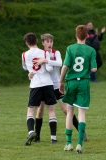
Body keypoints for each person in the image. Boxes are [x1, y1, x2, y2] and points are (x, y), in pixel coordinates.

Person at [29, 33, 87, 143]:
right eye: (47, 41)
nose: (50, 43)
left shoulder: (56, 53)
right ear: (43, 43)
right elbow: (35, 69)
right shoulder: (41, 54)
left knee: (65, 109)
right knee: (40, 110)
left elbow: (60, 63)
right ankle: (37, 136)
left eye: (51, 41)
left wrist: (46, 61)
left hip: (56, 85)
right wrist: (30, 74)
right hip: (45, 86)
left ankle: (81, 132)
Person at [59, 25, 97, 153]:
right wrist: (89, 68)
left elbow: (65, 66)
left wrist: (60, 81)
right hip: (84, 83)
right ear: (87, 36)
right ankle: (80, 144)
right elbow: (94, 69)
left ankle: (69, 143)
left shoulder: (70, 48)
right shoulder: (91, 50)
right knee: (82, 113)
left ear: (76, 35)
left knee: (70, 113)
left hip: (71, 82)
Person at [22, 32, 57, 146]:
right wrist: (45, 61)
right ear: (37, 41)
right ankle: (53, 138)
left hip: (35, 84)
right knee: (51, 110)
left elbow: (25, 68)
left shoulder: (24, 55)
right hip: (47, 83)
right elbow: (50, 69)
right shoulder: (44, 53)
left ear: (27, 43)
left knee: (31, 110)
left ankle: (31, 132)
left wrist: (30, 74)